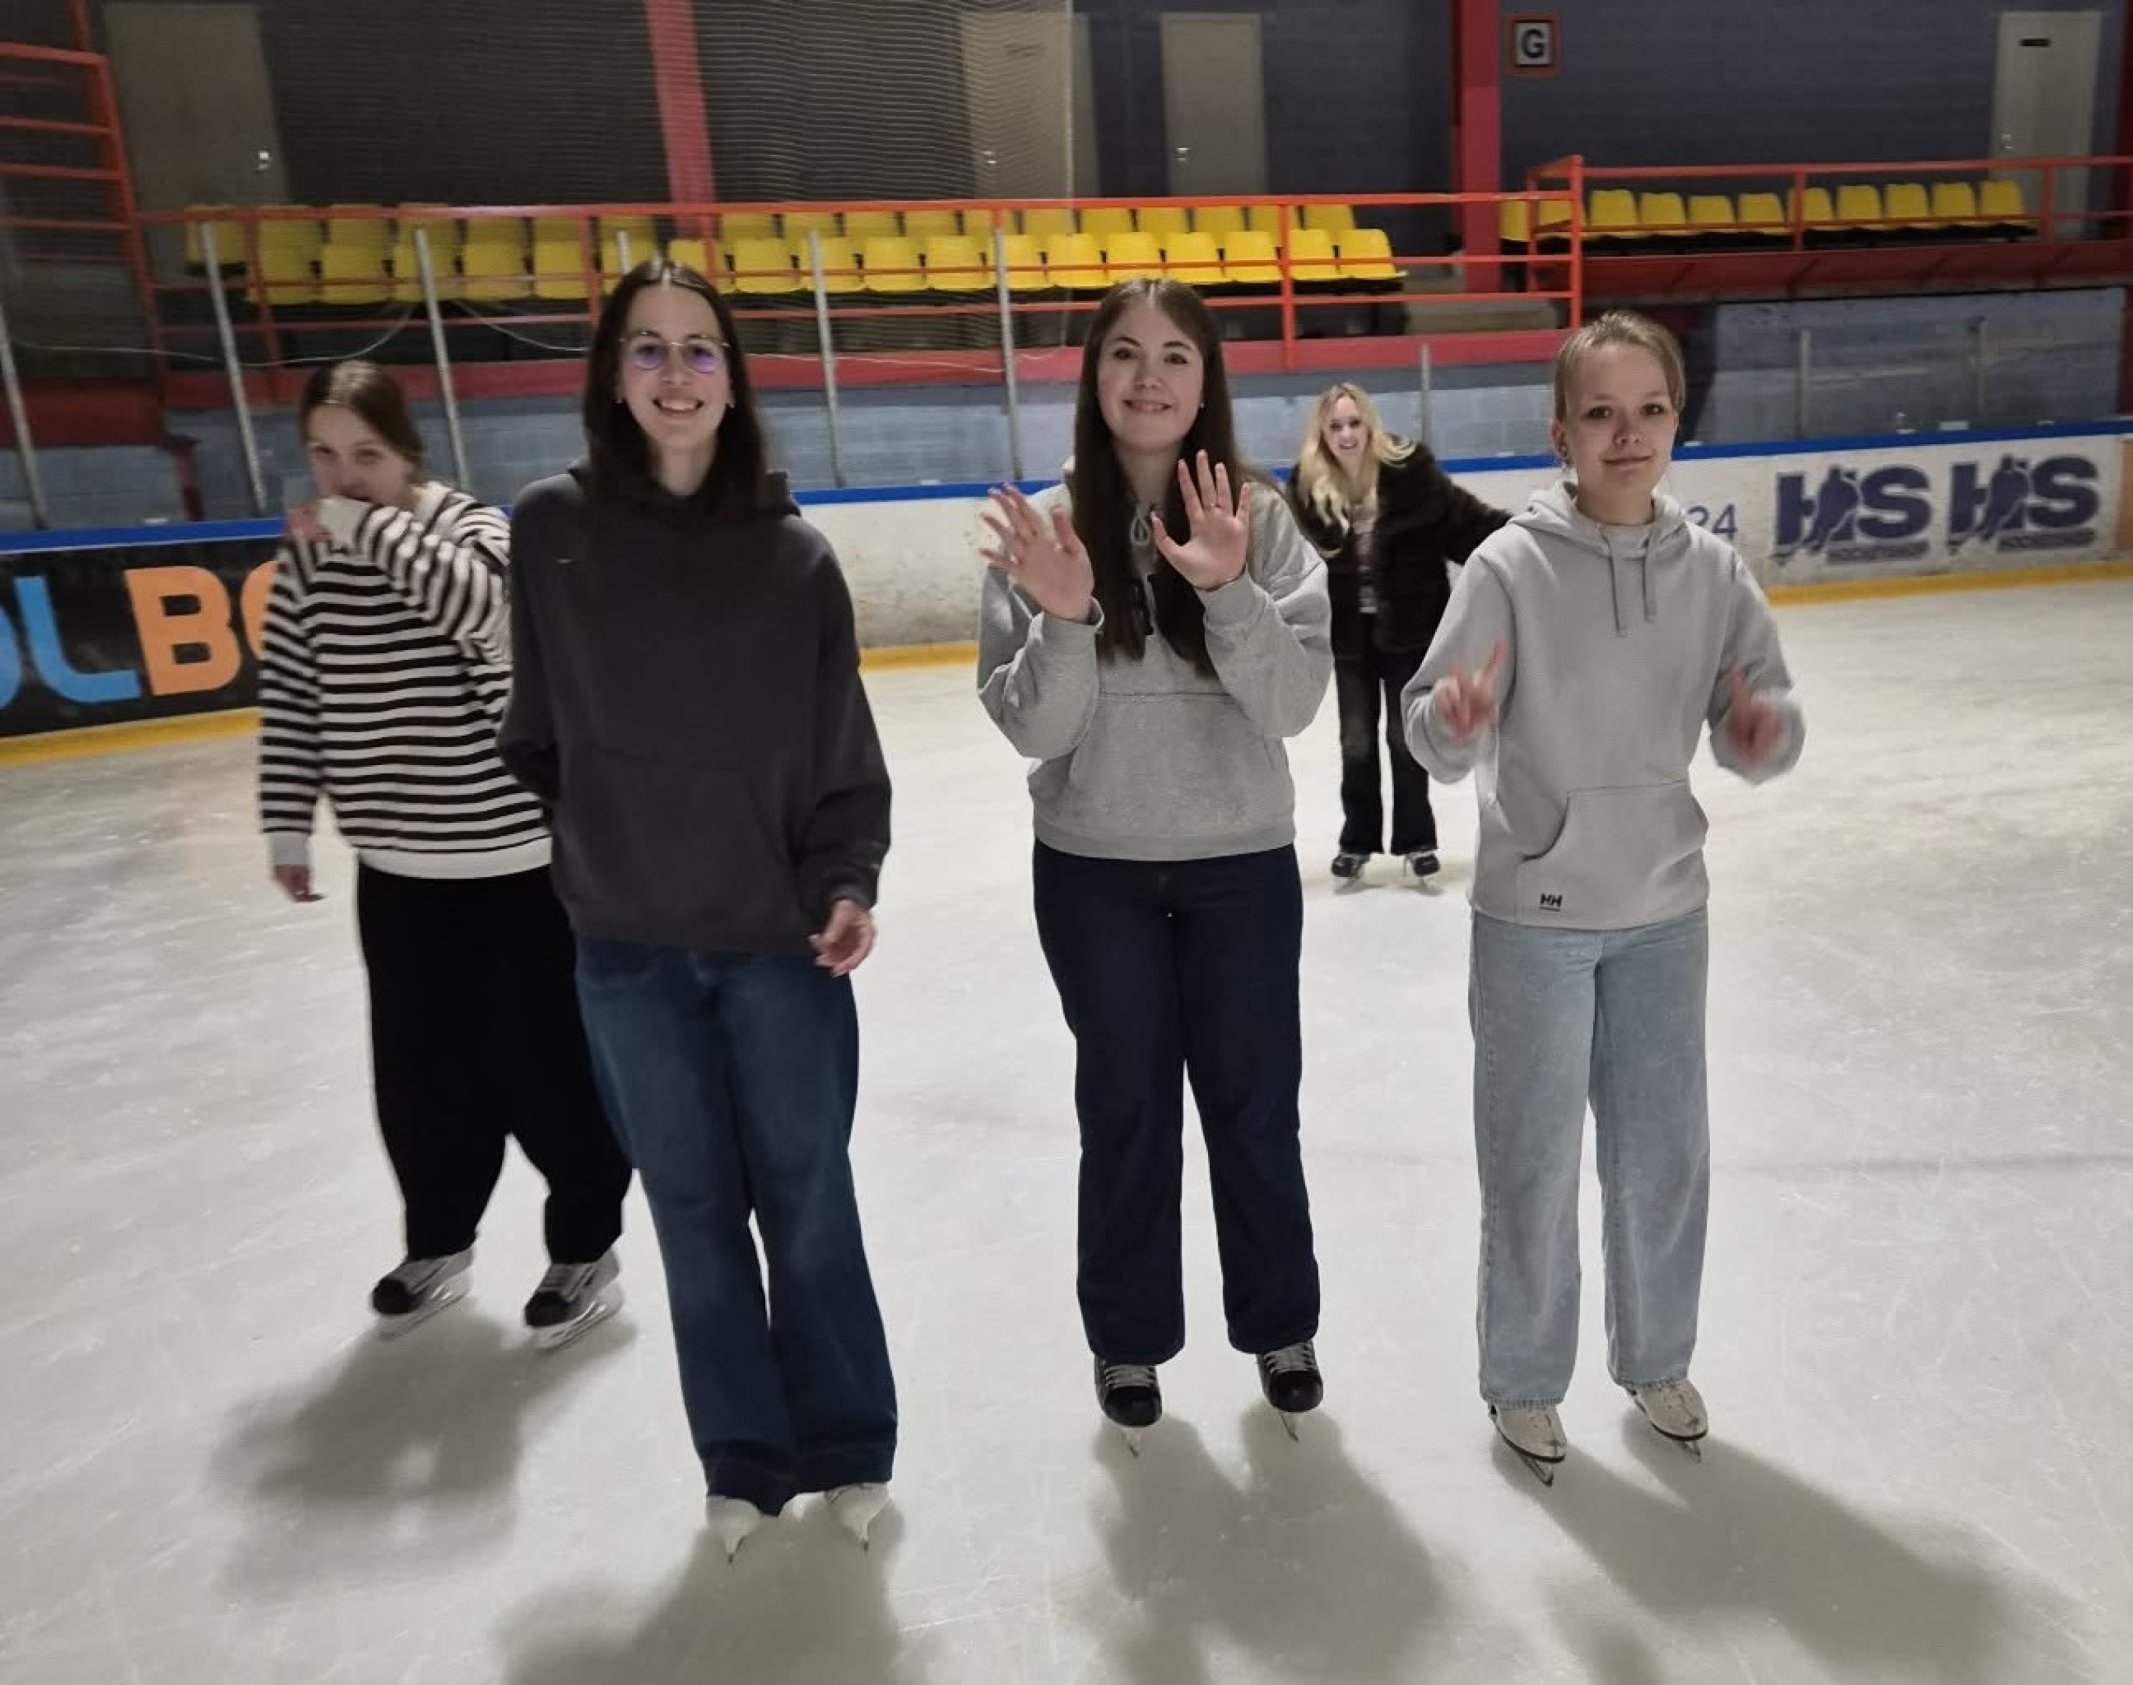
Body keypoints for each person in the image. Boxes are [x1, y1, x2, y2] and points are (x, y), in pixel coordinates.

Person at [500, 258, 897, 1559]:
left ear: (733, 379)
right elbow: (538, 733)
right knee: (689, 1210)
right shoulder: (550, 533)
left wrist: (844, 880)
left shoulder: (794, 561)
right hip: (626, 955)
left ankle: (847, 1440)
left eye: (700, 349)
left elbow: (843, 757)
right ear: (613, 375)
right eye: (649, 348)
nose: (676, 373)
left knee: (808, 1200)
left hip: (777, 948)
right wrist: (608, 851)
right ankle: (742, 1455)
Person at [1402, 311, 1805, 1482]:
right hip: (1533, 915)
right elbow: (1426, 724)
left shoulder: (1712, 572)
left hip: (1664, 909)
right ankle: (1525, 1378)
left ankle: (1655, 1356)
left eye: (1649, 410)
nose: (1626, 434)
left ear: (1675, 422)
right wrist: (1453, 720)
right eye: (1599, 413)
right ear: (1560, 434)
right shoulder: (1507, 567)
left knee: (1662, 1153)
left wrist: (1760, 732)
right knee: (1529, 1160)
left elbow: (1761, 714)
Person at [975, 278, 1333, 1439]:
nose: (1148, 376)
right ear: (1092, 375)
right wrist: (1064, 615)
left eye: (1175, 355)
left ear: (1205, 379)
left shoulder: (1261, 520)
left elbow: (1292, 705)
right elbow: (1034, 730)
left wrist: (1226, 587)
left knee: (1252, 1105)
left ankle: (1280, 1322)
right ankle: (1126, 1337)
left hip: (1240, 866)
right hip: (1095, 871)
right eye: (1123, 352)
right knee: (1125, 1108)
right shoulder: (1045, 529)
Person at [255, 358, 629, 1349]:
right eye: (324, 456)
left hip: (515, 867)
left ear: (408, 450)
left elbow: (481, 613)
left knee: (550, 1072)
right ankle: (438, 1240)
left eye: (366, 454)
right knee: (423, 1083)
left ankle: (584, 1246)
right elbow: (292, 691)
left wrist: (361, 523)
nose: (343, 477)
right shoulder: (307, 560)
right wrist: (287, 822)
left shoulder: (472, 531)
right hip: (396, 872)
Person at [1284, 382, 1506, 885]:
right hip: (1349, 641)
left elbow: (1468, 525)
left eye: (1354, 423)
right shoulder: (1306, 489)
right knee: (1356, 741)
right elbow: (1287, 566)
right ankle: (1357, 841)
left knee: (1405, 739)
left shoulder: (1412, 476)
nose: (1346, 434)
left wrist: (1525, 540)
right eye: (1335, 426)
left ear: (1369, 426)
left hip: (1410, 632)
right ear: (1323, 433)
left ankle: (1417, 840)